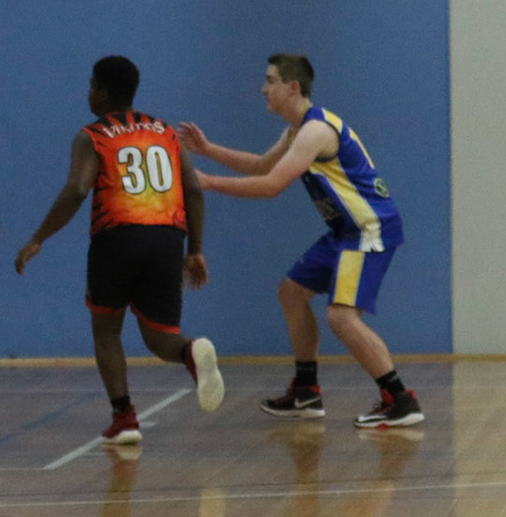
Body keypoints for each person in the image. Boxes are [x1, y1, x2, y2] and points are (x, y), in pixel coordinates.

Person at [178, 53, 419, 428]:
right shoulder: (297, 130)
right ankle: (306, 391)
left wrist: (207, 182)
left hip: (369, 228)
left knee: (341, 317)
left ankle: (400, 399)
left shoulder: (315, 132)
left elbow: (271, 186)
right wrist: (207, 150)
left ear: (292, 87)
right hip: (345, 231)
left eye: (270, 81)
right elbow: (262, 166)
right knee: (291, 293)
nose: (263, 88)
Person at [13, 56, 223, 445]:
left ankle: (124, 418)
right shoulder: (165, 131)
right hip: (167, 238)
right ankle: (191, 351)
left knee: (107, 331)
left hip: (117, 238)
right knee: (159, 337)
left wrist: (39, 237)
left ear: (103, 92)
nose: (88, 93)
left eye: (91, 86)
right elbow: (193, 189)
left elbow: (77, 189)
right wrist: (195, 249)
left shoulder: (92, 135)